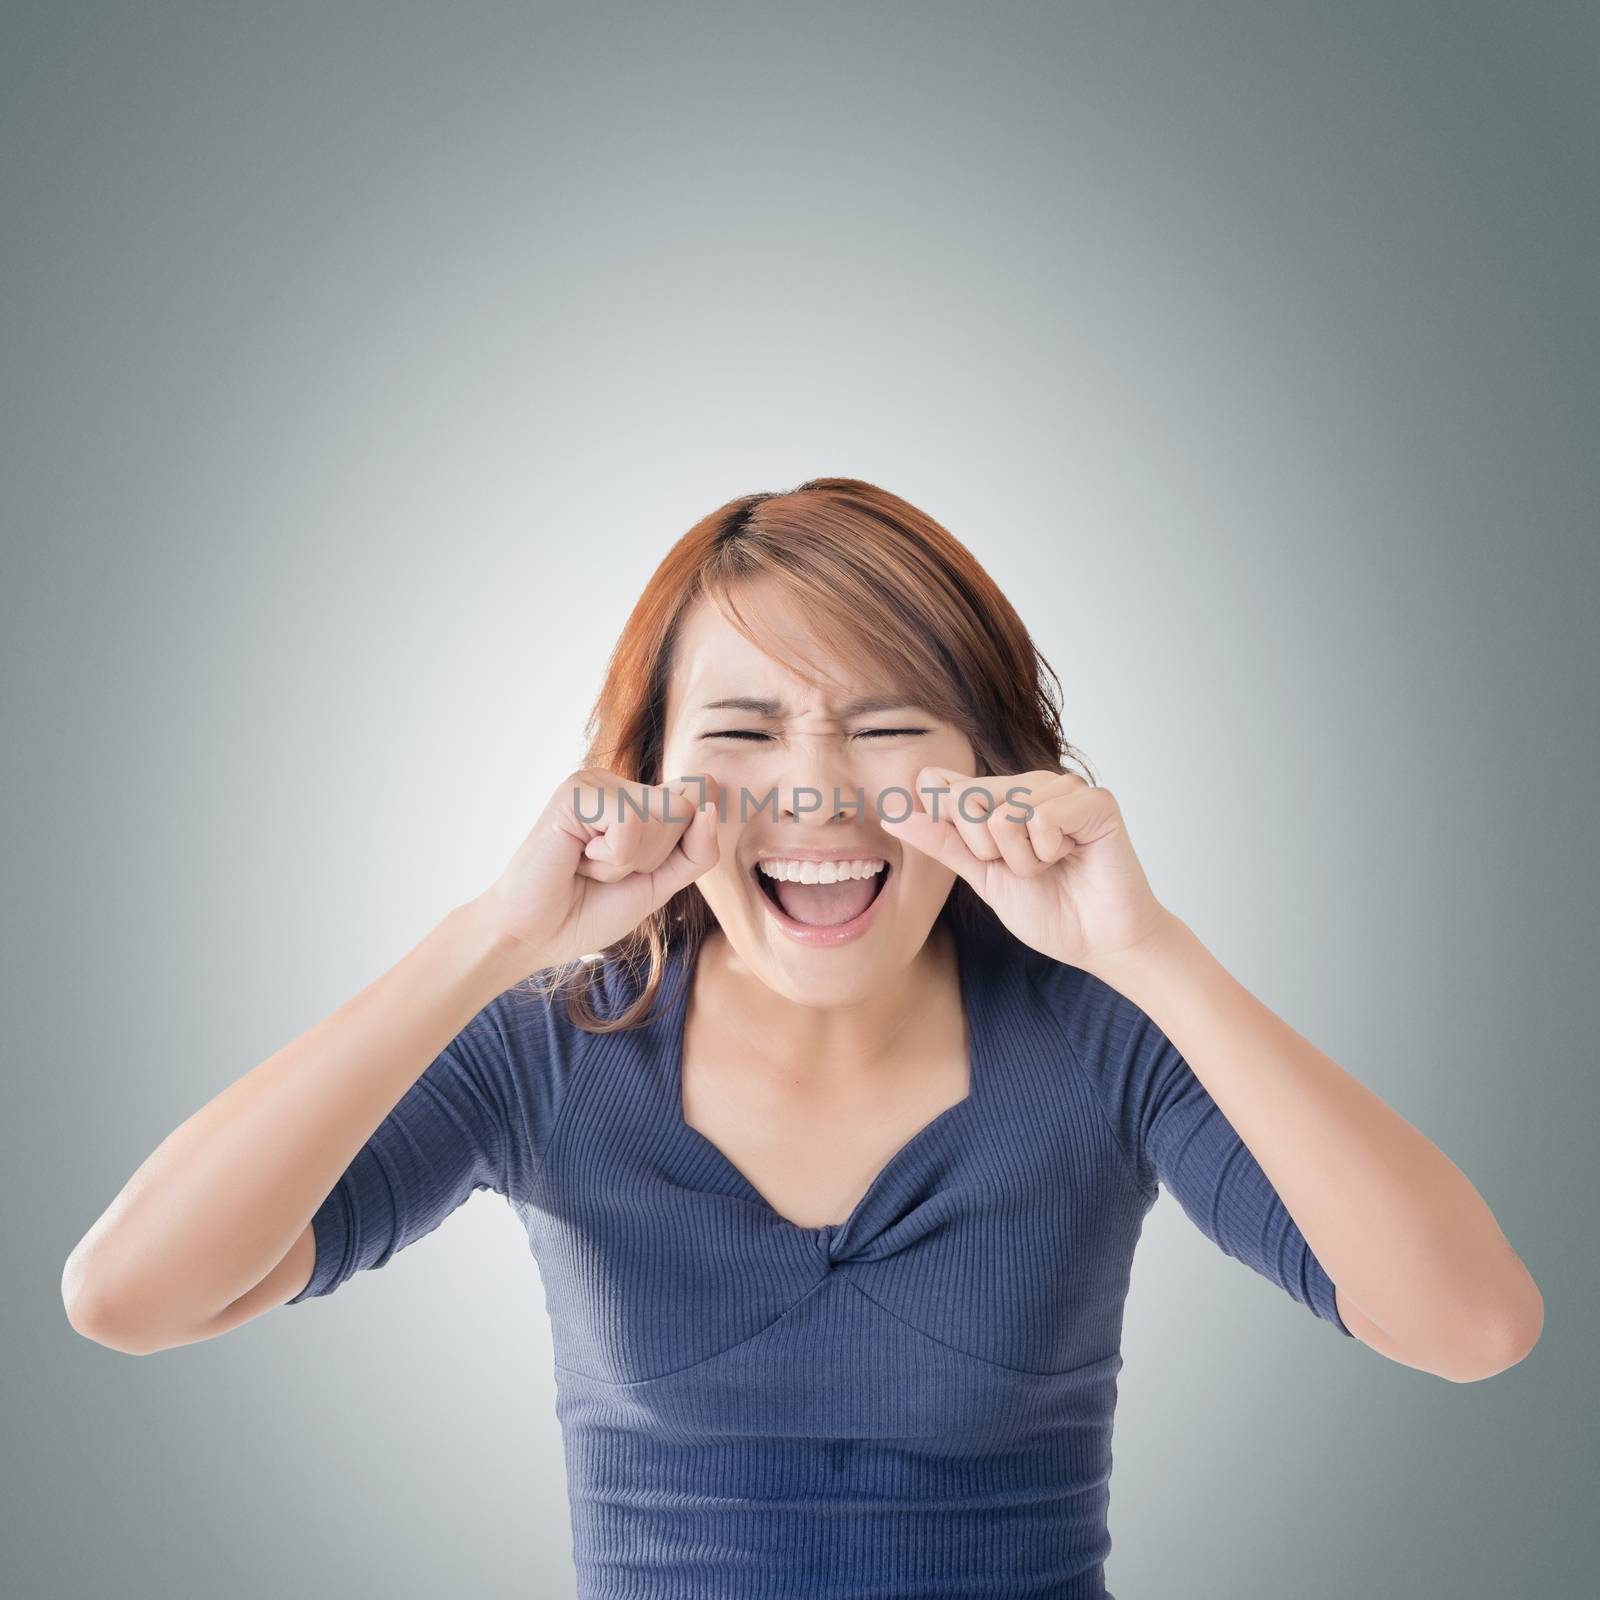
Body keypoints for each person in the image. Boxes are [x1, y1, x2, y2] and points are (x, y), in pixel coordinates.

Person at [63, 477, 1543, 1598]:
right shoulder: (556, 1049)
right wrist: (496, 941)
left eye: (891, 725)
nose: (819, 794)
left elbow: (1474, 1329)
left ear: (995, 768)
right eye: (747, 730)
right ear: (644, 777)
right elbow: (129, 1294)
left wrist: (1151, 956)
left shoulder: (1104, 1042)